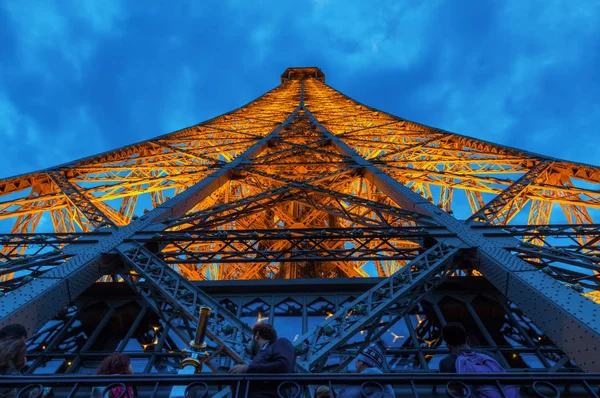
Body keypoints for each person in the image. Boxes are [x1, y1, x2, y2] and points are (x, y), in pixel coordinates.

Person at [440, 322, 519, 397]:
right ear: (467, 340)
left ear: (448, 346)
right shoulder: (492, 356)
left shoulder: (446, 362)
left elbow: (453, 392)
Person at [228, 322, 295, 398]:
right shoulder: (258, 356)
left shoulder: (280, 342)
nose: (250, 343)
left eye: (251, 338)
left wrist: (247, 368)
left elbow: (283, 366)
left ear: (256, 335)